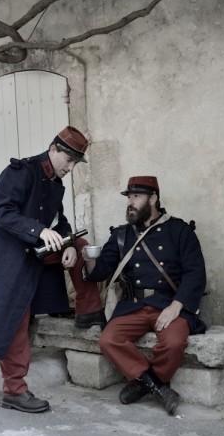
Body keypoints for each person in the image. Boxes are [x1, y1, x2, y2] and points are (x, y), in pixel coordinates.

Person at [0, 126, 105, 414]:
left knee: (81, 244)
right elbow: (2, 212)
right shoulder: (21, 172)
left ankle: (89, 311)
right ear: (54, 149)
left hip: (34, 253)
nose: (70, 168)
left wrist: (68, 242)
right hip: (7, 257)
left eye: (75, 163)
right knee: (15, 319)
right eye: (69, 160)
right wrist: (39, 230)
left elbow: (59, 220)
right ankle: (14, 390)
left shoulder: (56, 182)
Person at [82, 176, 206, 416]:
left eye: (136, 196)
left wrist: (177, 306)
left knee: (173, 342)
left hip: (169, 303)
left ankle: (141, 383)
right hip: (133, 305)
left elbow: (195, 273)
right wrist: (88, 261)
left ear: (153, 198)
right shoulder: (121, 235)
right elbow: (101, 271)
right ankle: (157, 387)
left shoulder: (179, 231)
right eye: (129, 197)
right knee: (108, 340)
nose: (130, 202)